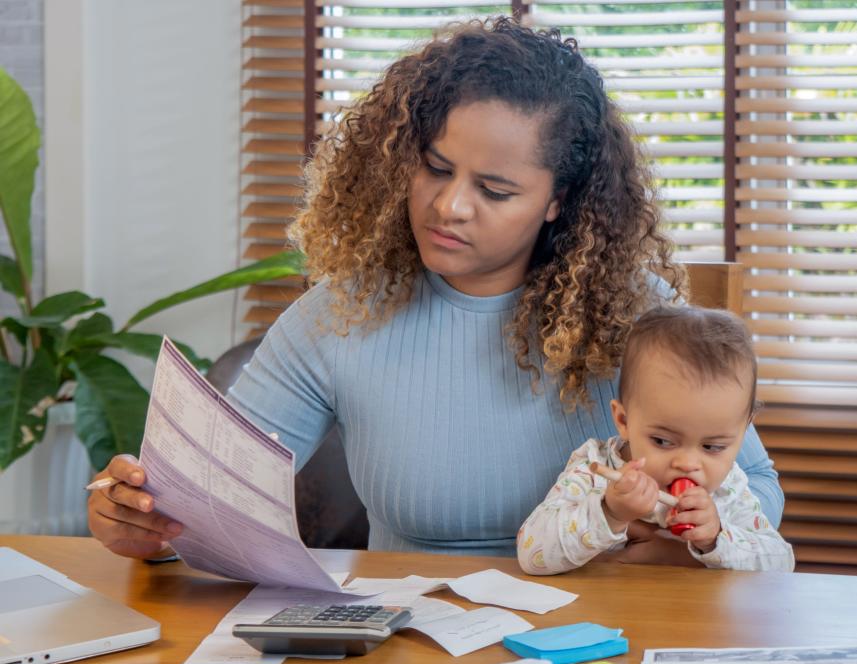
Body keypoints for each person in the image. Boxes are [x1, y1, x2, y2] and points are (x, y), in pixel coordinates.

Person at [86, 17, 783, 562]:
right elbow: (206, 500)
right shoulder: (339, 314)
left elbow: (761, 499)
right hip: (411, 643)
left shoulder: (641, 314)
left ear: (557, 200)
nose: (449, 206)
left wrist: (676, 537)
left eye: (495, 189)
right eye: (435, 168)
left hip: (610, 627)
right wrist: (141, 519)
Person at [518, 306, 795, 574]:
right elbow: (532, 556)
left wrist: (716, 537)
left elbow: (781, 563)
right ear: (624, 421)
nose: (687, 464)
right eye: (663, 441)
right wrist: (609, 512)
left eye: (712, 447)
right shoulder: (594, 470)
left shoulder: (728, 489)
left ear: (743, 433)